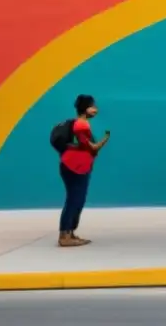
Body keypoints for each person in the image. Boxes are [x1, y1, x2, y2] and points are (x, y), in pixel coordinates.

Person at [59, 94, 109, 247]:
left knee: (76, 199)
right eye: (92, 106)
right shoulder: (82, 125)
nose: (96, 109)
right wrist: (105, 139)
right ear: (85, 108)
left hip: (75, 166)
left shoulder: (81, 124)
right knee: (75, 199)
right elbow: (91, 148)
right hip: (76, 167)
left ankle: (70, 232)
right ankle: (65, 235)